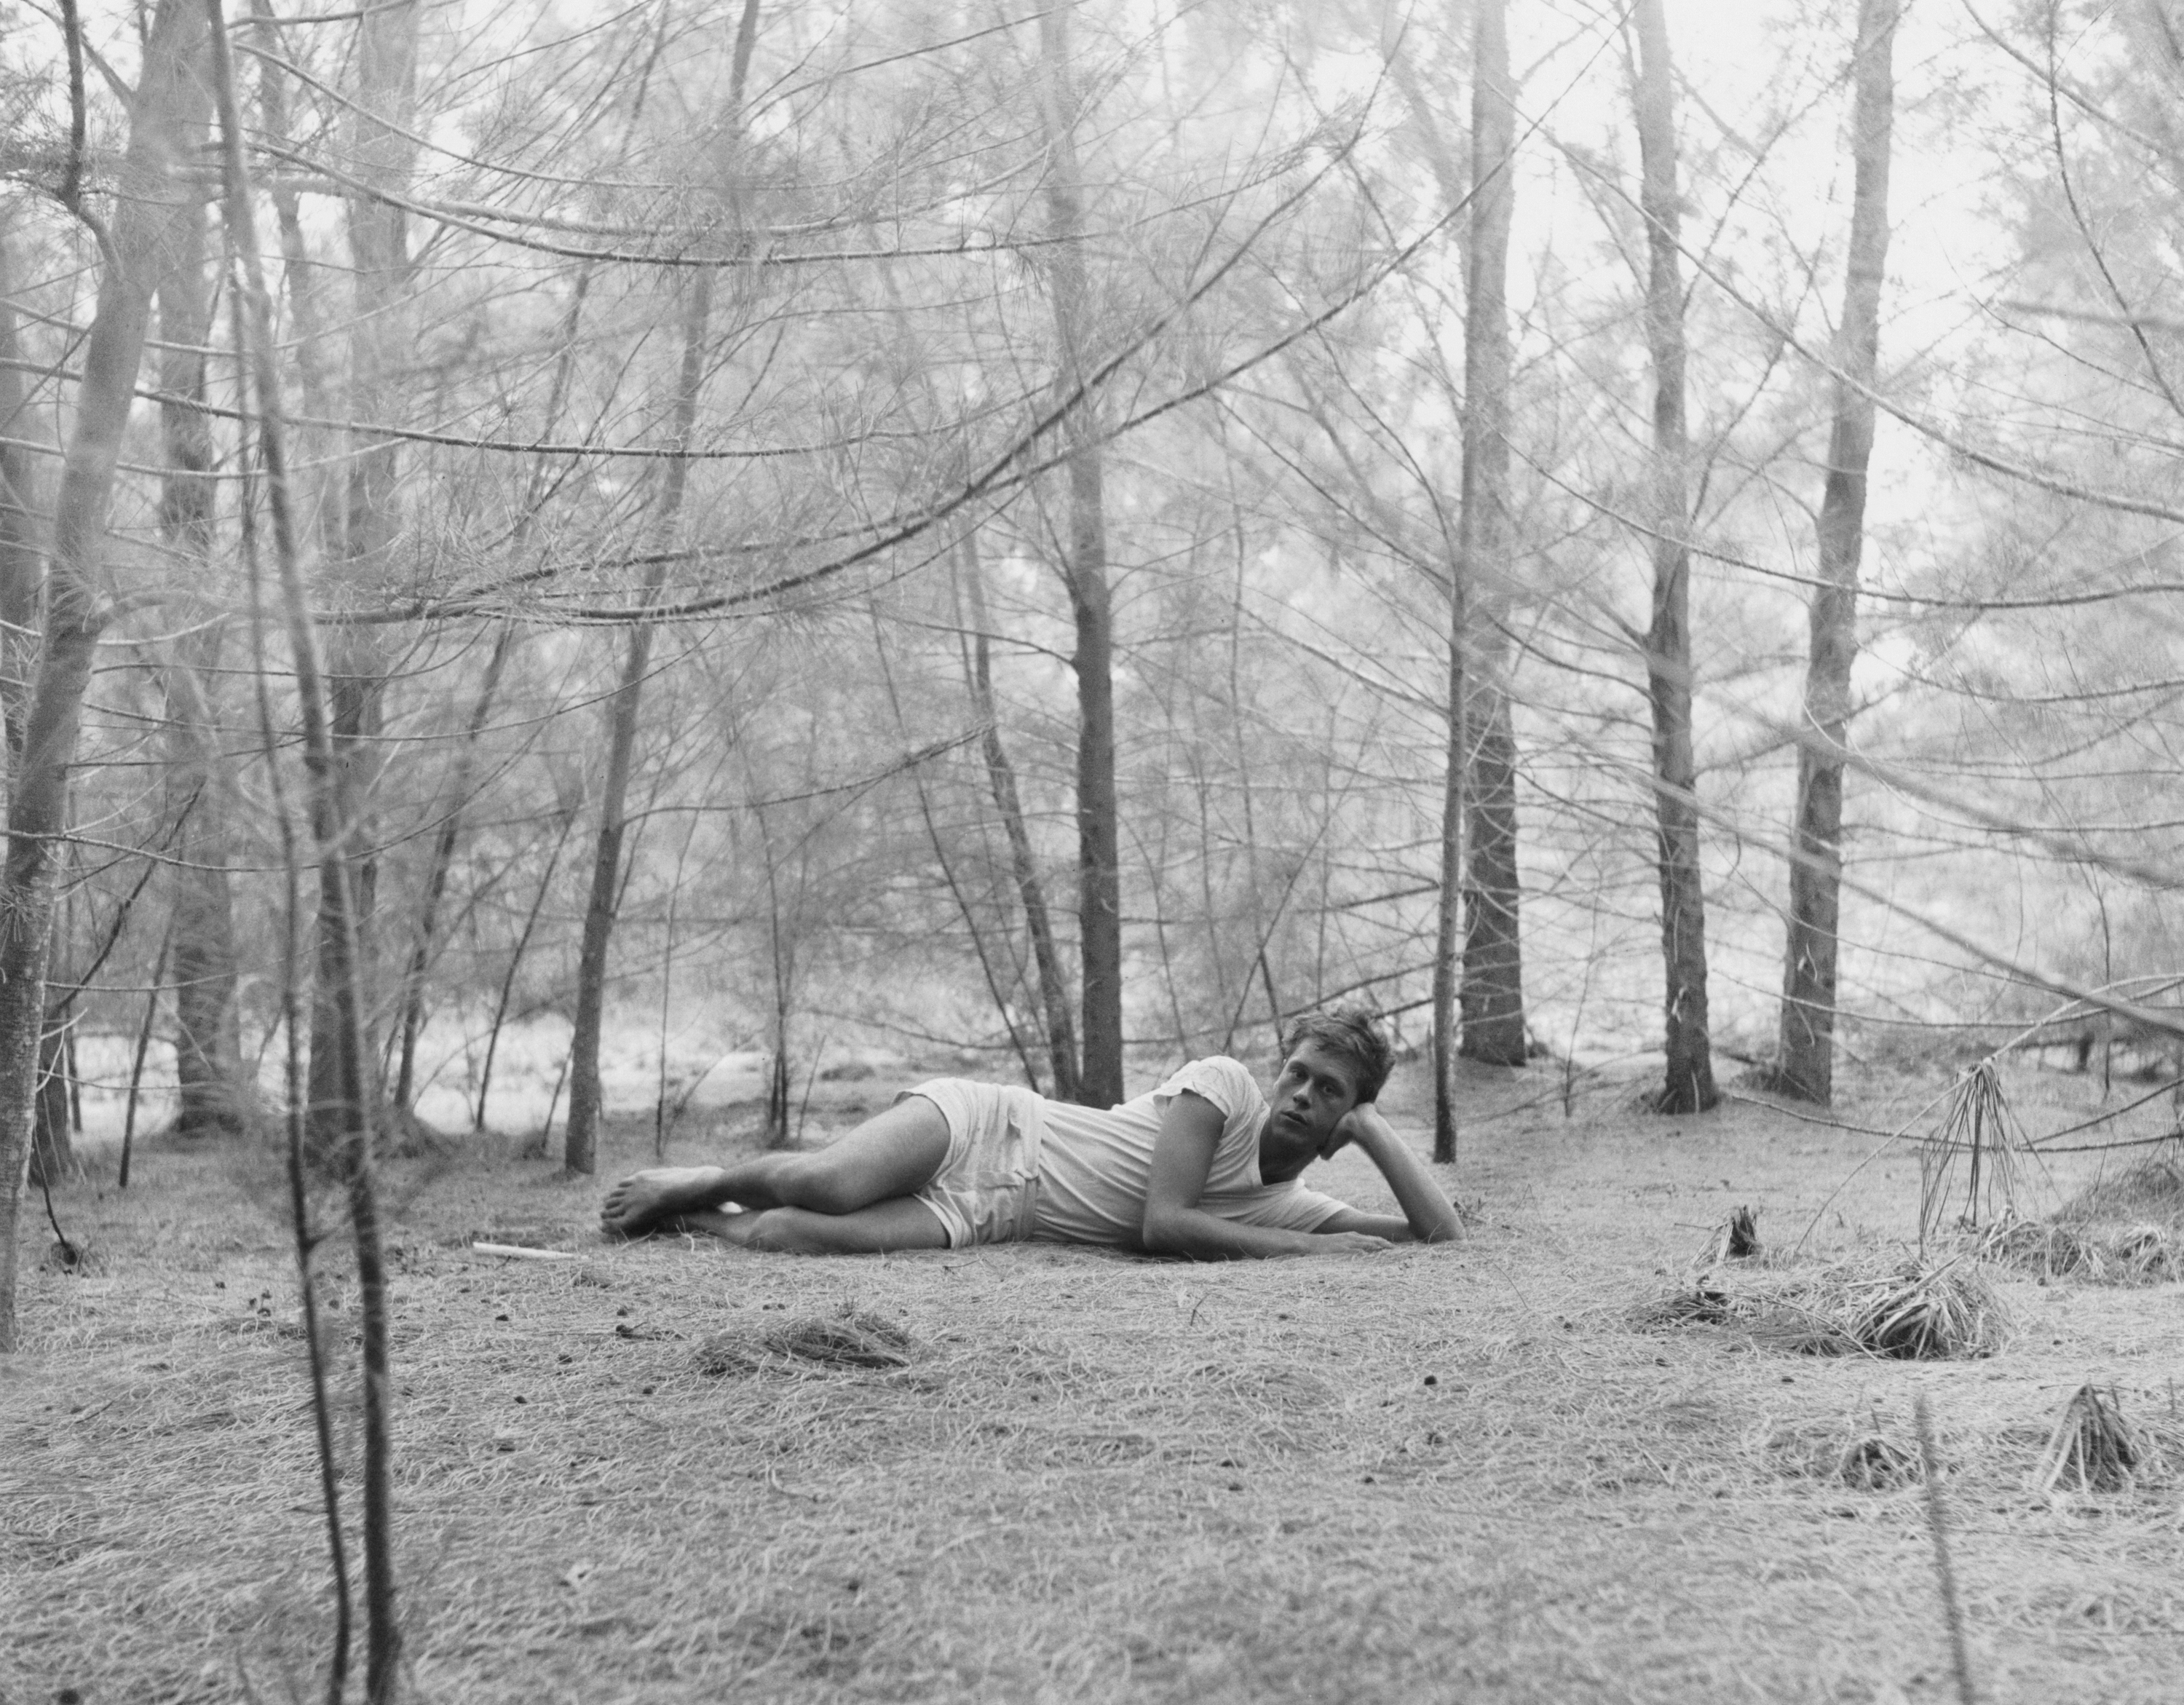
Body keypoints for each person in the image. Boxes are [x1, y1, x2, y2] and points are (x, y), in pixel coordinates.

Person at [598, 1008, 1461, 1257]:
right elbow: (1166, 1223)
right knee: (825, 1182)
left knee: (793, 1234)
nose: (1303, 1095)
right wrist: (1324, 1254)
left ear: (1347, 1111)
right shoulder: (1225, 1088)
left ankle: (692, 1220)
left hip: (996, 1213)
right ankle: (705, 1179)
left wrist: (1377, 1132)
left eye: (1331, 1092)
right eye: (1299, 1074)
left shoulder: (1292, 1204)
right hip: (991, 1127)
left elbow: (1440, 1238)